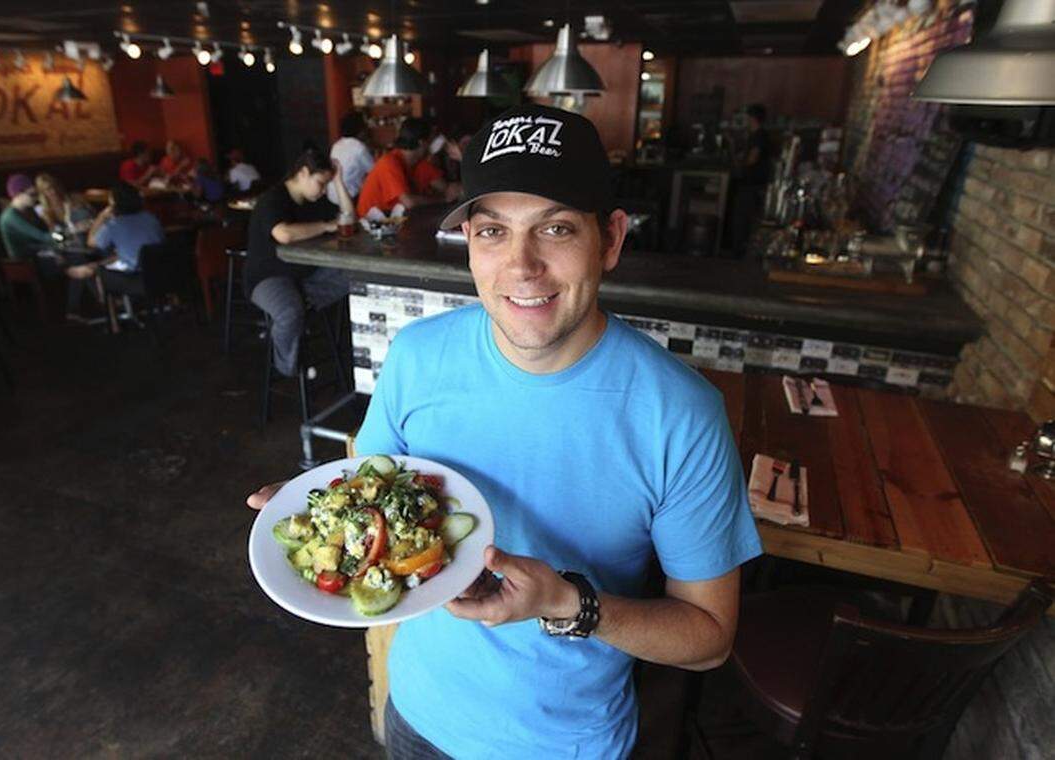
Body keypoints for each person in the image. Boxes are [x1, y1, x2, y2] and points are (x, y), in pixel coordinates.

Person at [246, 105, 763, 757]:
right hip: (417, 714)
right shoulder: (417, 355)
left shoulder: (683, 415)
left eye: (555, 228)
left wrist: (571, 603)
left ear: (611, 239)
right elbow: (370, 494)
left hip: (564, 745)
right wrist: (314, 507)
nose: (521, 266)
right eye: (493, 231)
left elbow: (709, 639)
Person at [244, 147, 354, 378]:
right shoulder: (272, 199)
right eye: (321, 183)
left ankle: (303, 306)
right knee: (290, 312)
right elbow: (283, 234)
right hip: (268, 277)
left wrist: (339, 182)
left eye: (326, 184)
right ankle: (287, 369)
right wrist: (325, 226)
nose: (323, 190)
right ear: (303, 173)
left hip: (304, 275)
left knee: (354, 275)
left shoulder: (313, 200)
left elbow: (348, 218)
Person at [0, 173, 97, 322]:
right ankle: (86, 303)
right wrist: (72, 231)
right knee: (77, 259)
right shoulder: (11, 217)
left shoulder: (25, 211)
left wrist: (63, 240)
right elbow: (43, 237)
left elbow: (47, 236)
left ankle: (81, 305)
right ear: (18, 194)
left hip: (38, 252)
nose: (35, 197)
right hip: (25, 262)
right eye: (32, 194)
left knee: (78, 257)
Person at [85, 183, 166, 332]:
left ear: (114, 204)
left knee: (98, 273)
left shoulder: (113, 225)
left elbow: (91, 243)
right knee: (111, 261)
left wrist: (101, 217)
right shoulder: (151, 218)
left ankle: (114, 321)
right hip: (162, 273)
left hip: (137, 279)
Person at [356, 117, 457, 218]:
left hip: (398, 219)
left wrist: (460, 158)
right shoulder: (388, 163)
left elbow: (447, 189)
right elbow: (409, 202)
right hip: (371, 224)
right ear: (422, 143)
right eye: (431, 140)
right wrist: (442, 199)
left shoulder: (420, 162)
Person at [730, 103, 772, 258]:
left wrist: (739, 161)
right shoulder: (756, 136)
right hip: (750, 184)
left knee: (743, 221)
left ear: (752, 118)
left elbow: (752, 159)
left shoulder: (759, 136)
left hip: (751, 185)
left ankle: (740, 256)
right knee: (743, 221)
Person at [326, 111, 374, 207]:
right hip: (349, 198)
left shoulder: (337, 144)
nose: (367, 129)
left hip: (330, 196)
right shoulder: (359, 147)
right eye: (365, 126)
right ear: (360, 129)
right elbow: (374, 170)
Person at [35, 173, 95, 240]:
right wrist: (73, 229)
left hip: (92, 233)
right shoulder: (43, 210)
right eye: (48, 189)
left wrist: (90, 223)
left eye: (54, 186)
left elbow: (94, 217)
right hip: (70, 241)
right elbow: (54, 236)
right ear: (42, 193)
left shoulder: (75, 198)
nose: (53, 191)